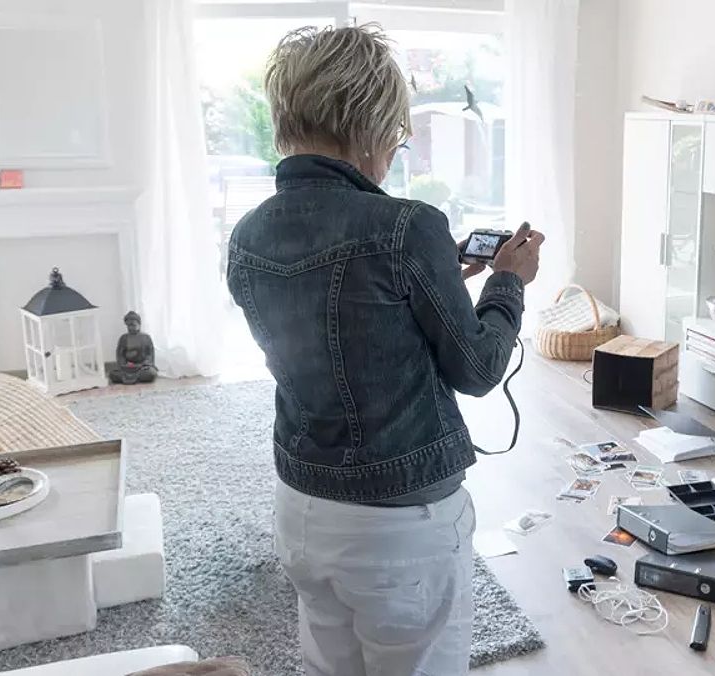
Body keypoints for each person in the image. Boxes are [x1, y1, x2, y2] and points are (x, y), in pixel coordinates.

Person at [226, 23, 543, 676]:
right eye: (395, 137)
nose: (394, 153)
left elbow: (333, 323)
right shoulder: (408, 226)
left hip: (301, 508)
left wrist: (437, 283)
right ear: (368, 124)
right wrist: (509, 280)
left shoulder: (248, 236)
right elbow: (478, 368)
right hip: (400, 529)